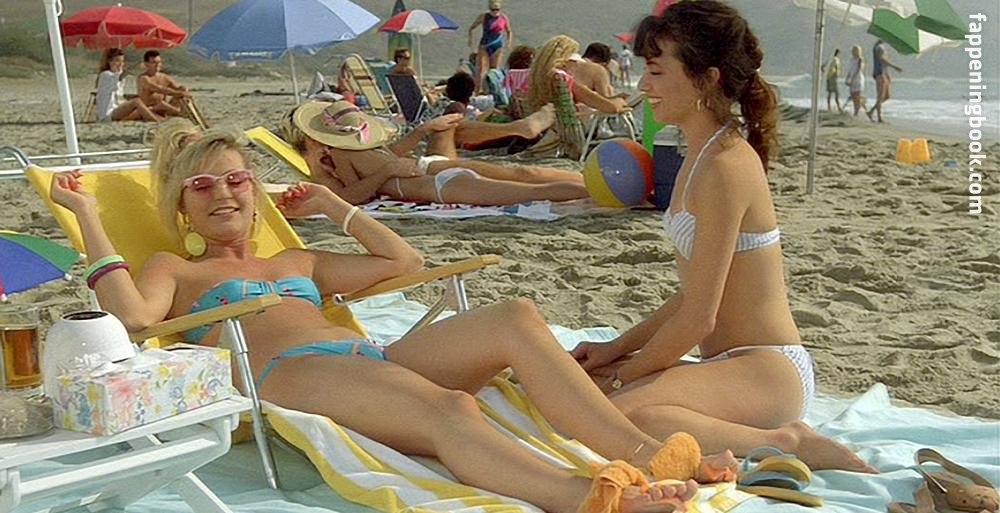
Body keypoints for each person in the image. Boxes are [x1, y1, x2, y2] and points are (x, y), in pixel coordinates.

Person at [49, 123, 742, 513]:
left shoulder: (297, 260)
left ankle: (647, 454)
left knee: (516, 315)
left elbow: (402, 261)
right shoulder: (176, 269)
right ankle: (590, 499)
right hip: (288, 374)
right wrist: (87, 215)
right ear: (181, 208)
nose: (223, 193)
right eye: (202, 186)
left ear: (255, 192)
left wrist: (332, 206)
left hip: (366, 362)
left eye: (237, 179)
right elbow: (131, 316)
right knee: (453, 408)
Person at [569, 1, 877, 474]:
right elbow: (695, 295)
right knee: (604, 400)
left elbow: (699, 319)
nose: (644, 86)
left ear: (707, 78)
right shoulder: (699, 154)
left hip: (766, 370)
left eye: (656, 71)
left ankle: (789, 442)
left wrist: (626, 374)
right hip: (733, 365)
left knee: (614, 416)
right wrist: (616, 349)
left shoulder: (725, 166)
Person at [284, 100, 585, 206]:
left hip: (434, 179)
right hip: (434, 177)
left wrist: (422, 132)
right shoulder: (337, 155)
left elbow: (373, 175)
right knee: (528, 183)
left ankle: (593, 187)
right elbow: (354, 195)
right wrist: (388, 170)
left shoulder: (345, 150)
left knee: (527, 182)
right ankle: (593, 188)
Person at [527, 35, 628, 115]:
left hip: (546, 127)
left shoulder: (536, 78)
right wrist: (620, 101)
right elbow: (610, 107)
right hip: (570, 129)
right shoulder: (562, 80)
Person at [94, 49, 162, 123]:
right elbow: (122, 75)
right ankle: (157, 122)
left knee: (142, 110)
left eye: (122, 61)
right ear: (109, 61)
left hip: (117, 109)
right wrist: (135, 67)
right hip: (108, 114)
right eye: (117, 61)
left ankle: (161, 120)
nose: (121, 64)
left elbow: (118, 94)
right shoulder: (105, 74)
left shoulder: (117, 75)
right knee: (136, 102)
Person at [468, 0, 513, 95]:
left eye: (497, 9)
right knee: (481, 69)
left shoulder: (503, 18)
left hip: (497, 45)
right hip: (485, 44)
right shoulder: (484, 16)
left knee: (494, 70)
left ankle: (494, 91)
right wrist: (470, 39)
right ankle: (478, 91)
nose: (495, 12)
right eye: (493, 9)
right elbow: (472, 27)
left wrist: (508, 42)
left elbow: (509, 31)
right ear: (489, 9)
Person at [137, 50, 191, 119]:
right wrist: (180, 93)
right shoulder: (143, 78)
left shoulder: (164, 77)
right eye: (153, 62)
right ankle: (180, 112)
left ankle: (184, 111)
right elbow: (159, 89)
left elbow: (177, 89)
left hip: (163, 109)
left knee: (183, 89)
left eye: (159, 62)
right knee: (162, 104)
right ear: (146, 64)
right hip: (150, 109)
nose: (157, 65)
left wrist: (183, 91)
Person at [866, 39, 902, 123]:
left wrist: (887, 74)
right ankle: (879, 117)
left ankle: (871, 111)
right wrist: (895, 67)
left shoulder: (881, 47)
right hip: (880, 73)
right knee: (880, 96)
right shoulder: (879, 47)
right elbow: (882, 59)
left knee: (886, 96)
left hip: (883, 73)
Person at [845, 45, 867, 117]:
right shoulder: (851, 59)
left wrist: (853, 78)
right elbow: (850, 69)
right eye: (853, 50)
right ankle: (860, 108)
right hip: (852, 78)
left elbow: (859, 69)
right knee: (853, 95)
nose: (853, 52)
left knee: (857, 95)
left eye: (855, 50)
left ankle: (857, 112)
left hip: (858, 79)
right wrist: (847, 77)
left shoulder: (860, 59)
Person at [823, 49, 844, 113]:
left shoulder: (830, 59)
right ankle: (839, 107)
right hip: (833, 78)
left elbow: (822, 66)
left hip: (828, 77)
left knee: (830, 92)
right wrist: (835, 74)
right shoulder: (836, 59)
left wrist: (825, 72)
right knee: (836, 93)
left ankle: (829, 106)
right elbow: (836, 69)